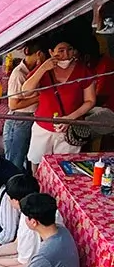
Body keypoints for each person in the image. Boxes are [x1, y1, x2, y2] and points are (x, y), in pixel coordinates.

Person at [23, 32, 97, 167]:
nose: (66, 55)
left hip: (69, 130)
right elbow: (26, 90)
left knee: (65, 167)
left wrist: (70, 118)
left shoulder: (83, 71)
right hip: (43, 129)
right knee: (38, 166)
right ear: (51, 52)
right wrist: (43, 68)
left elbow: (90, 101)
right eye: (60, 51)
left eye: (70, 50)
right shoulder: (44, 71)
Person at [4, 39, 47, 169]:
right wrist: (40, 98)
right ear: (39, 54)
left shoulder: (34, 71)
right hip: (19, 120)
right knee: (15, 162)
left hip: (29, 119)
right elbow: (13, 104)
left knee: (25, 159)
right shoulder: (19, 74)